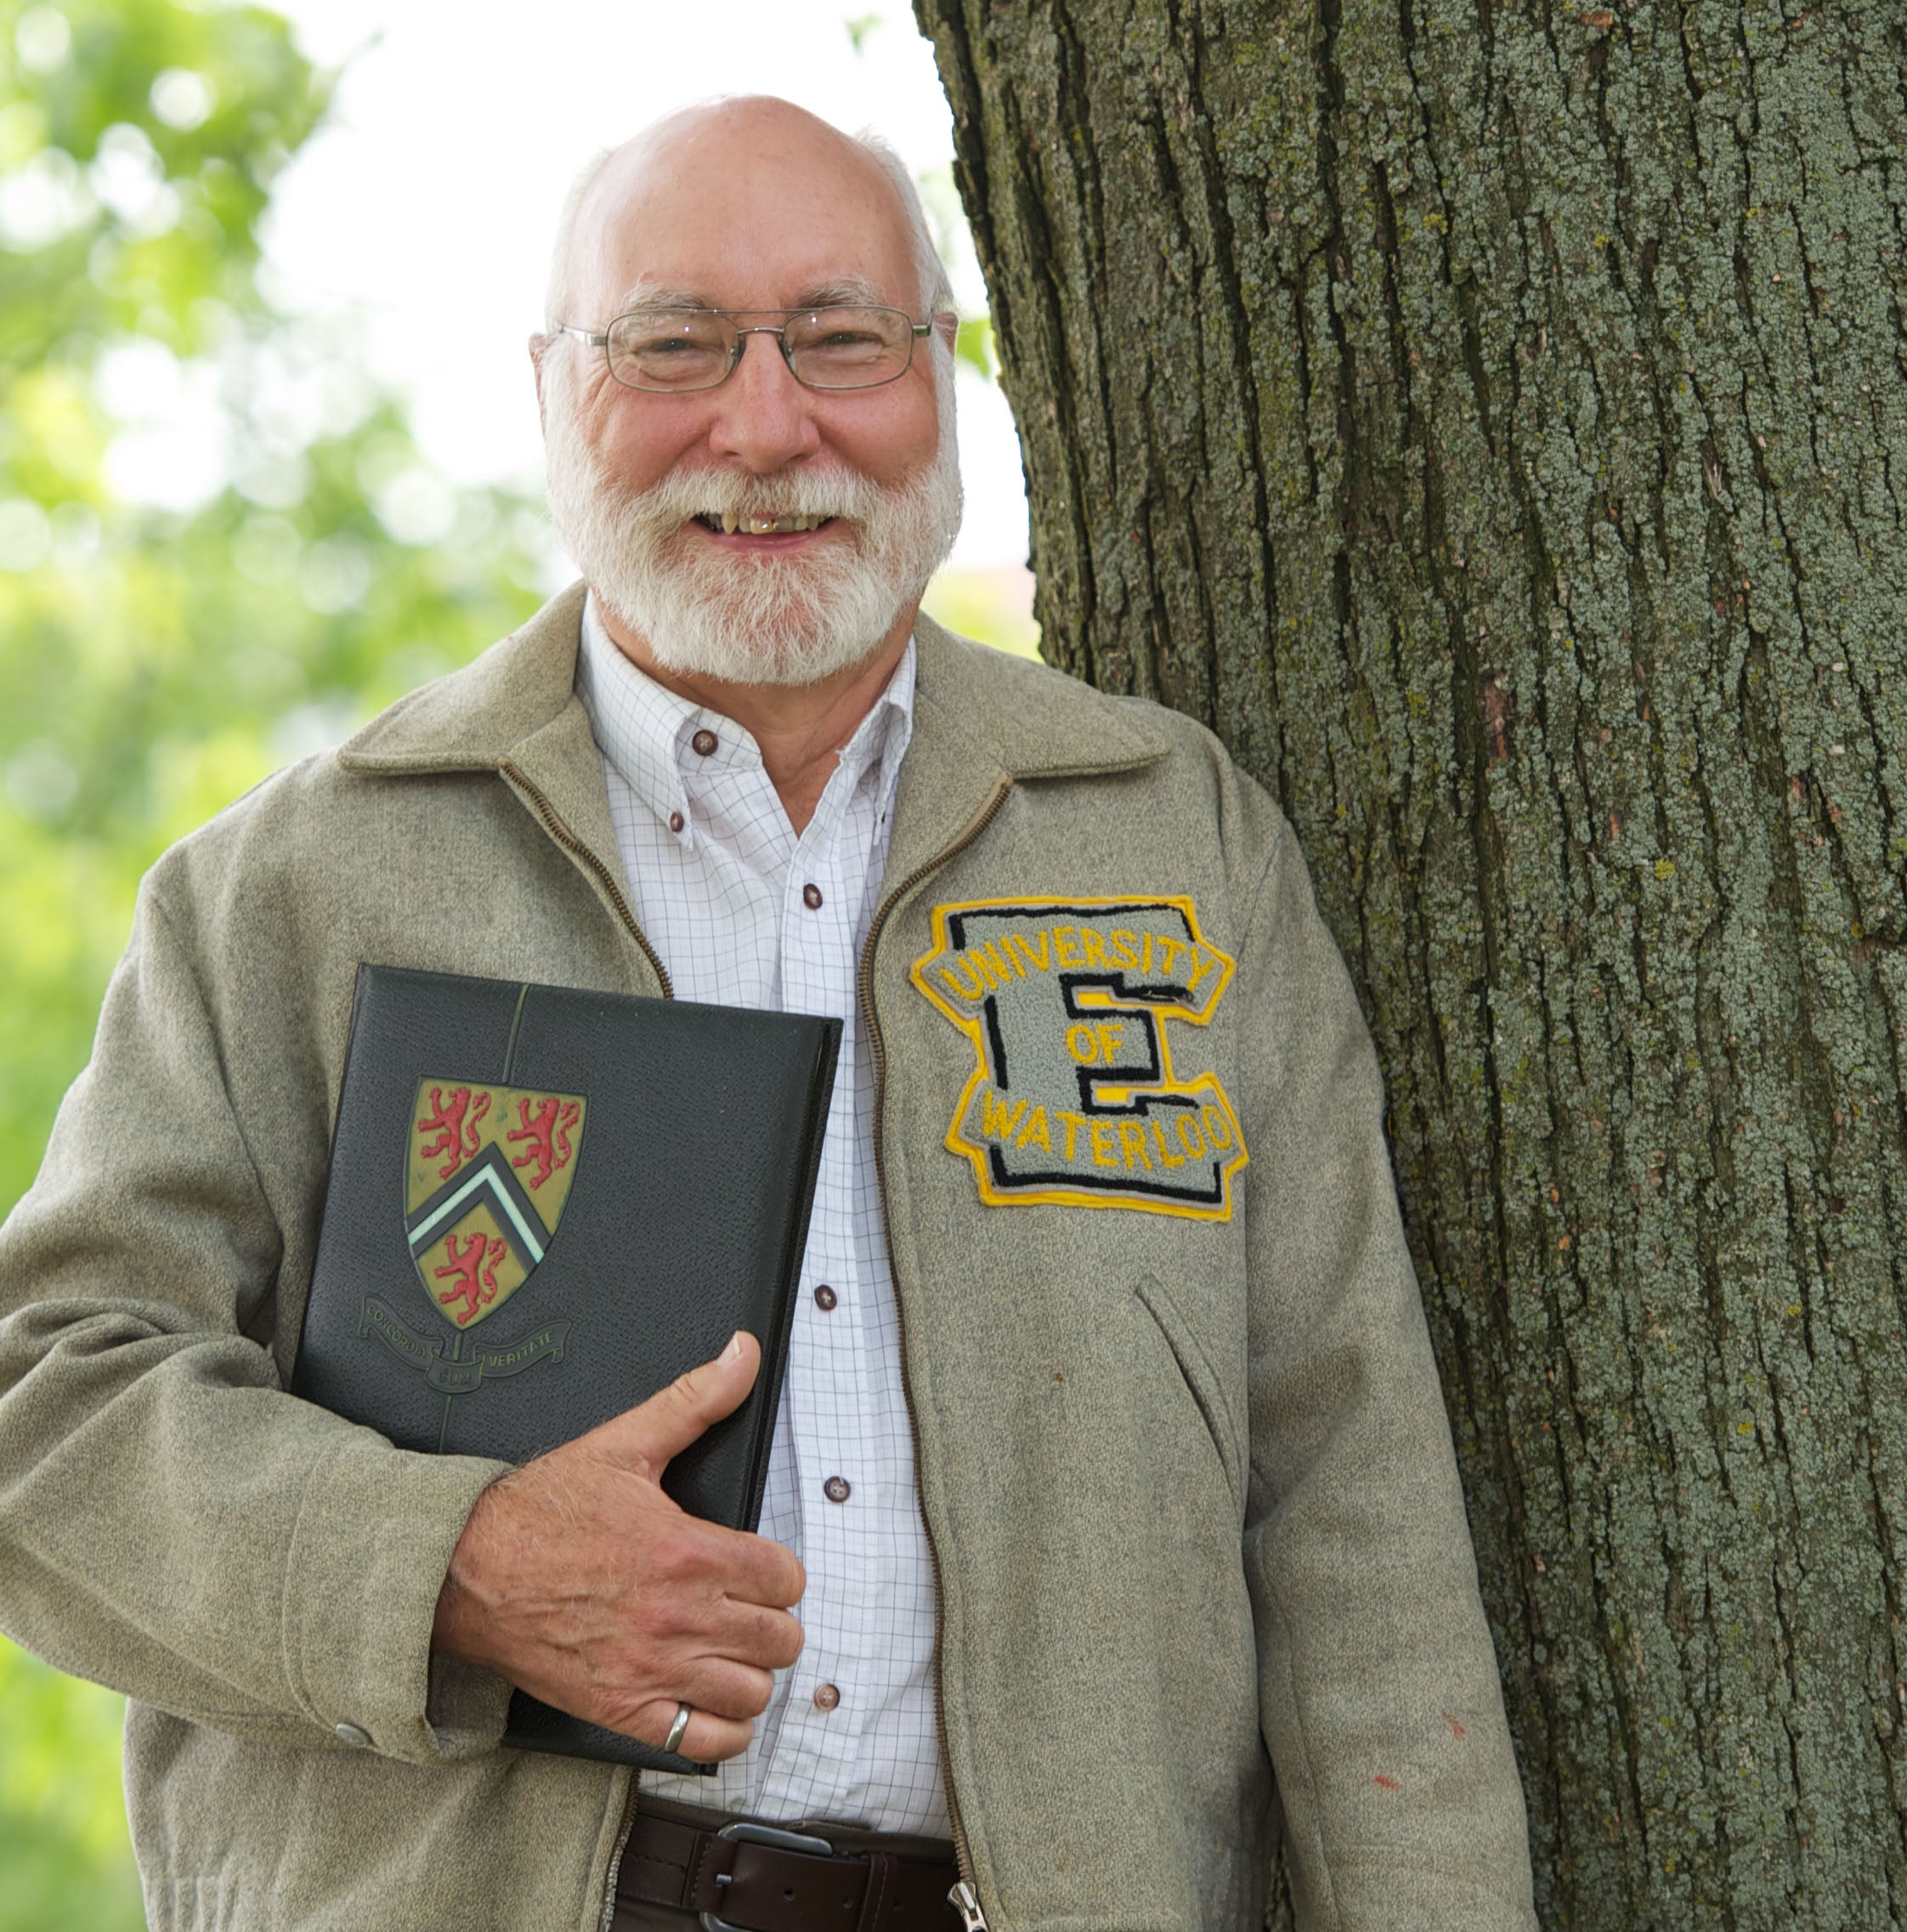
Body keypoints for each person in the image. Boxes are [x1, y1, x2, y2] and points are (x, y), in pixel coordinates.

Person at [0, 96, 1537, 1932]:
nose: (764, 423)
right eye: (672, 347)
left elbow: (1348, 1486)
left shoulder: (1172, 840)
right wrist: (454, 1565)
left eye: (837, 339)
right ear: (552, 389)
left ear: (938, 377)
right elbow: (46, 1417)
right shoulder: (297, 889)